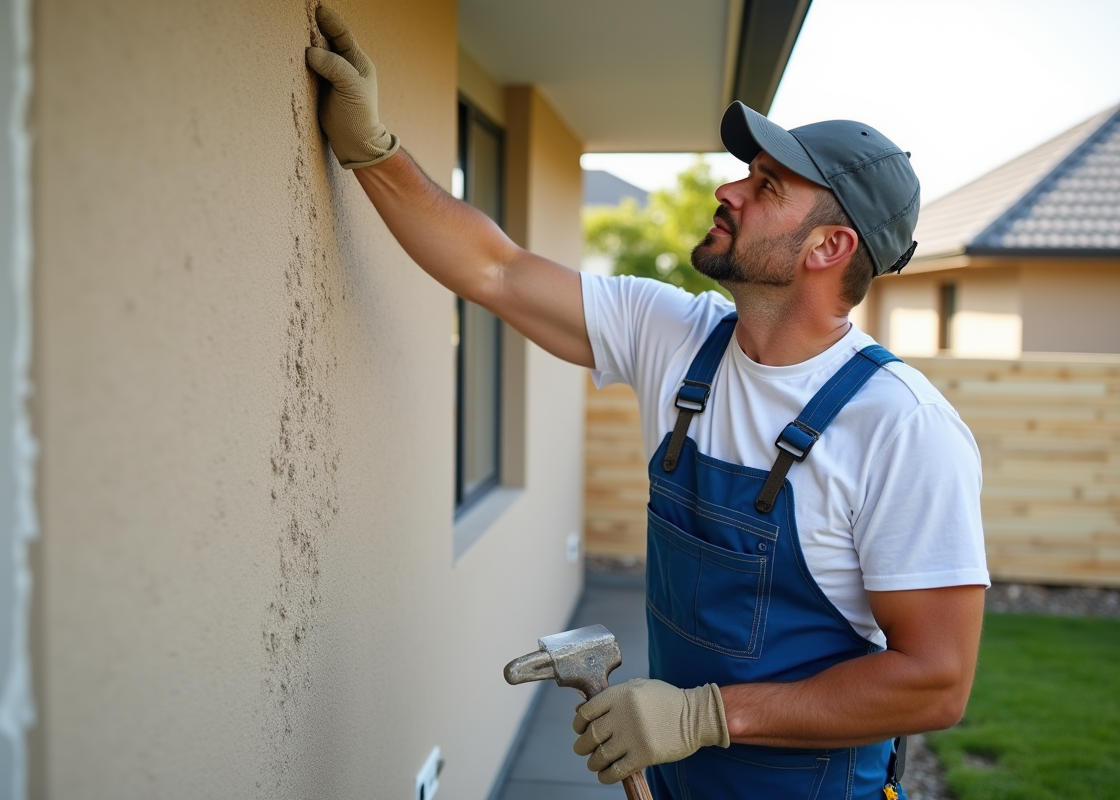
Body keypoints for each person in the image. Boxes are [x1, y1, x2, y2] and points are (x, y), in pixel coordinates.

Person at [305, 7, 989, 799]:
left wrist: (704, 717)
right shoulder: (674, 334)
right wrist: (371, 151)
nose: (728, 187)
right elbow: (494, 271)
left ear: (829, 248)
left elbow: (936, 682)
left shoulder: (901, 428)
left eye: (766, 185)